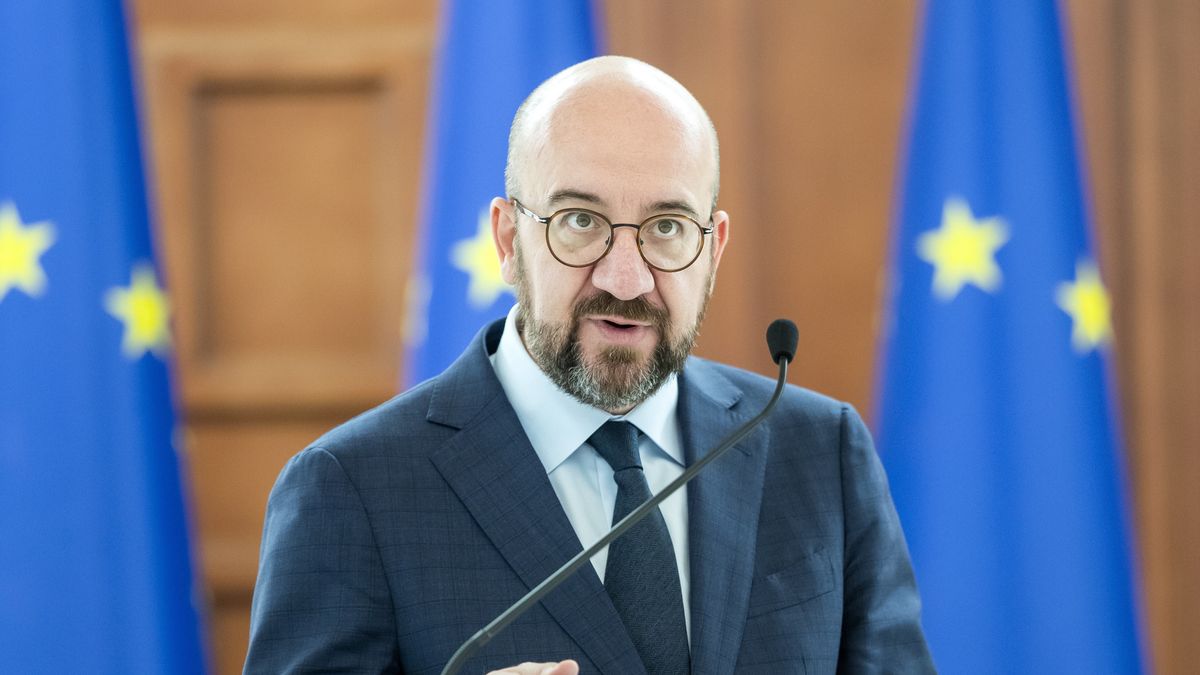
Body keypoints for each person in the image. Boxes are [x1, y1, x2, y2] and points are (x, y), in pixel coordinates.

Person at [245, 55, 934, 675]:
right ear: (508, 239)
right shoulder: (351, 488)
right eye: (581, 220)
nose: (627, 278)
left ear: (713, 249)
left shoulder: (819, 452)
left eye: (667, 227)